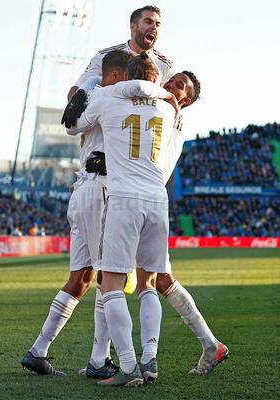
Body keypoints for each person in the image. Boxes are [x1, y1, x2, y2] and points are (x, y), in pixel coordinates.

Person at [20, 49, 175, 378]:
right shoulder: (118, 99)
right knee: (109, 277)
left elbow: (72, 124)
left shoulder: (93, 99)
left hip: (82, 190)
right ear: (118, 76)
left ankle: (38, 351)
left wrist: (85, 87)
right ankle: (99, 361)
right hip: (104, 190)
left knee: (81, 279)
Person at [66, 53, 176, 387]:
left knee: (111, 283)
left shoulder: (108, 99)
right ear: (155, 79)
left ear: (125, 75)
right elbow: (148, 90)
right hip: (158, 200)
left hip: (124, 198)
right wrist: (163, 92)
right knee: (148, 283)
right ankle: (150, 357)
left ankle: (128, 365)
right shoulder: (168, 108)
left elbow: (73, 126)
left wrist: (87, 87)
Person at [66, 5, 174, 104]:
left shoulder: (165, 65)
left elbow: (171, 101)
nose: (154, 27)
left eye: (157, 24)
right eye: (148, 22)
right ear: (133, 26)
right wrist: (73, 108)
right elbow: (77, 89)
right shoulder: (105, 56)